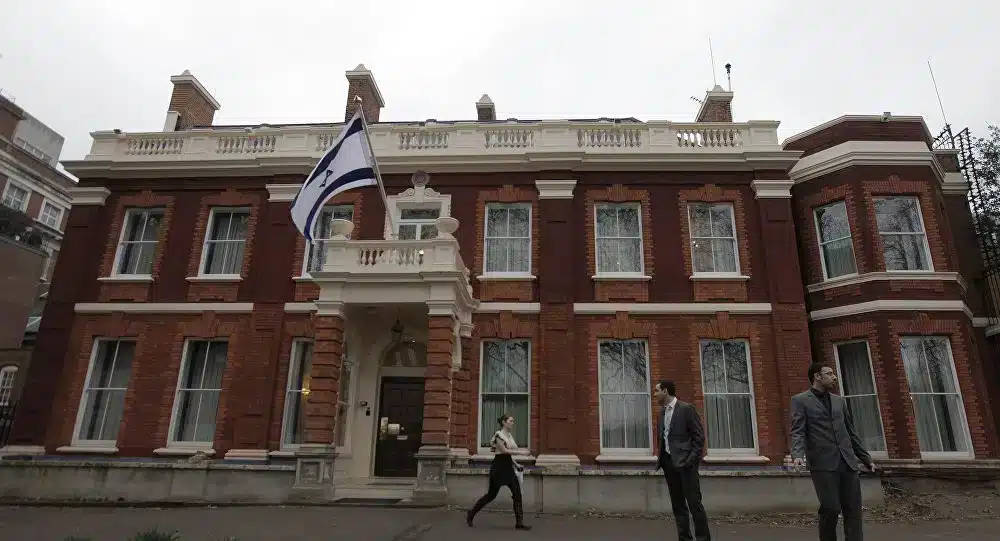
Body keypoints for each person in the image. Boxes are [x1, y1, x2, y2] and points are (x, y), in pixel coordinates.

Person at [790, 362, 878, 541]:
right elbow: (798, 431)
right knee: (831, 508)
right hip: (823, 464)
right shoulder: (800, 401)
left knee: (853, 510)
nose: (834, 377)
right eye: (829, 373)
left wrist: (866, 458)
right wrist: (797, 455)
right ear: (817, 376)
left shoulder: (839, 401)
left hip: (847, 462)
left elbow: (851, 432)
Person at [653, 380, 711, 541]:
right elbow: (663, 438)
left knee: (694, 504)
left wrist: (691, 461)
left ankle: (703, 538)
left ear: (665, 391)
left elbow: (699, 438)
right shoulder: (661, 413)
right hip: (669, 464)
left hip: (686, 465)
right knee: (678, 506)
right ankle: (684, 538)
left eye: (657, 391)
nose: (655, 394)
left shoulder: (686, 409)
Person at [466, 413, 532, 530]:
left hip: (508, 467)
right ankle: (471, 514)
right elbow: (504, 451)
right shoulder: (499, 435)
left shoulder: (509, 436)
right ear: (504, 422)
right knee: (491, 495)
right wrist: (522, 453)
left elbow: (507, 456)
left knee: (517, 494)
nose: (512, 423)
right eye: (510, 421)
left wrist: (516, 464)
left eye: (513, 421)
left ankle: (519, 522)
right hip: (498, 468)